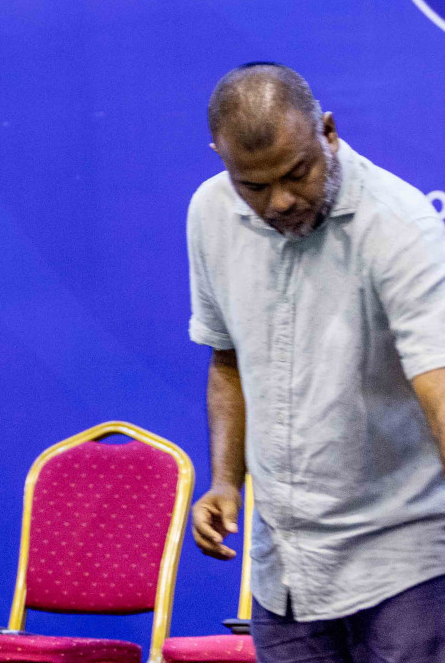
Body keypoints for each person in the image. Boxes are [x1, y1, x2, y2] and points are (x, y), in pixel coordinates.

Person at [187, 63, 445, 661]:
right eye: (253, 185)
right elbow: (226, 358)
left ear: (327, 131)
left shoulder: (400, 226)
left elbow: (438, 386)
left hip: (405, 564)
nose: (279, 200)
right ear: (220, 160)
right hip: (286, 571)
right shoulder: (208, 213)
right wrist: (226, 481)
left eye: (297, 173)